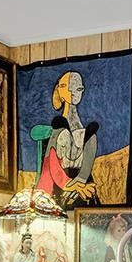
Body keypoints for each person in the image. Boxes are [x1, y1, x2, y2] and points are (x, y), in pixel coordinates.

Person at [37, 70, 99, 206]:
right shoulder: (58, 131)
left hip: (81, 179)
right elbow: (53, 165)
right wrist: (72, 185)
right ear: (59, 91)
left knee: (91, 134)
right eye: (65, 86)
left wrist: (80, 182)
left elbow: (87, 161)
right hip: (59, 186)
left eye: (78, 87)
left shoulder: (86, 133)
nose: (73, 91)